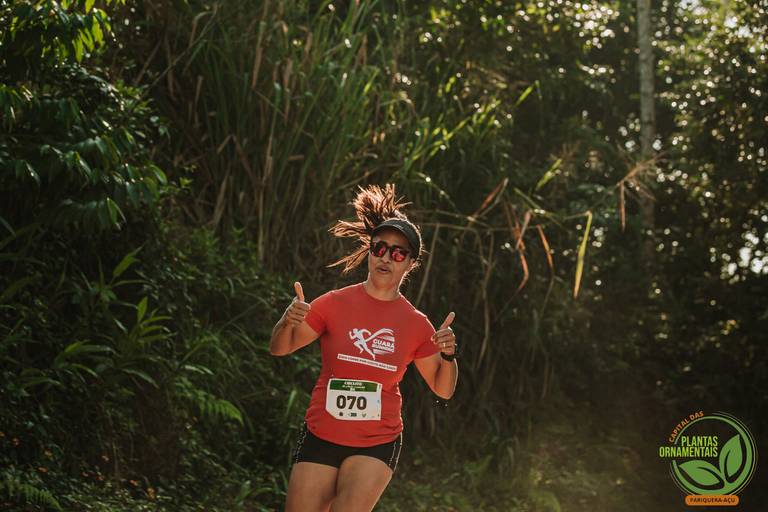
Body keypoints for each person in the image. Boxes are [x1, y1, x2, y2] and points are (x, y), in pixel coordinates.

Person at [269, 184, 459, 512]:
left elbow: (443, 389)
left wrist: (449, 355)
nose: (386, 257)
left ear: (410, 263)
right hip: (321, 433)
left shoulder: (416, 324)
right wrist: (287, 320)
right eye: (379, 248)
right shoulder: (333, 304)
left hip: (376, 442)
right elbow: (279, 348)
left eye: (398, 253)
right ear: (370, 251)